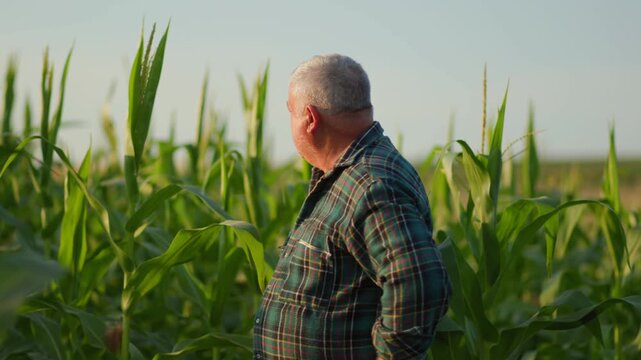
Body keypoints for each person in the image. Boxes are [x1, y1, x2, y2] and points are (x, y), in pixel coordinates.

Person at [253, 54, 451, 359]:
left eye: (290, 112)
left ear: (310, 119)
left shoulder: (372, 185)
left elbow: (420, 285)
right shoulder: (348, 175)